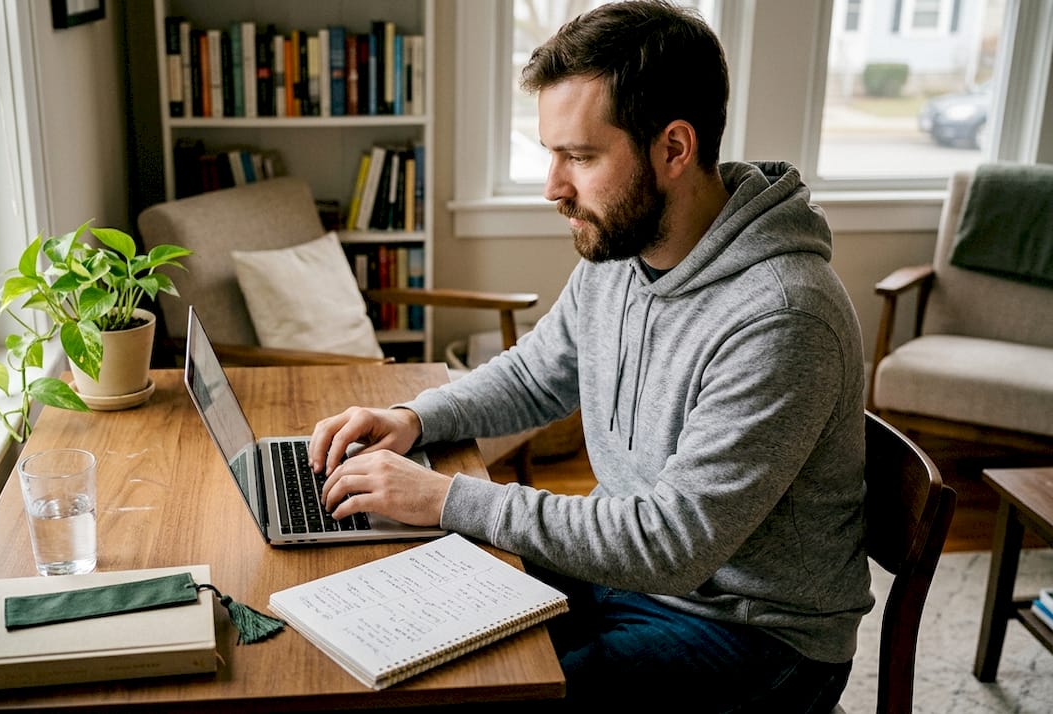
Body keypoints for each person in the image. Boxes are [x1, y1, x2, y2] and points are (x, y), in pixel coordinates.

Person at [308, 2, 871, 710]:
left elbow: (674, 542)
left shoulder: (783, 317)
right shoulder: (622, 248)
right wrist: (414, 419)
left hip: (751, 633)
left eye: (579, 156)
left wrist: (448, 498)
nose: (554, 187)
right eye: (551, 154)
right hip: (629, 573)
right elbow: (537, 373)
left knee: (489, 692)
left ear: (673, 148)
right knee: (394, 627)